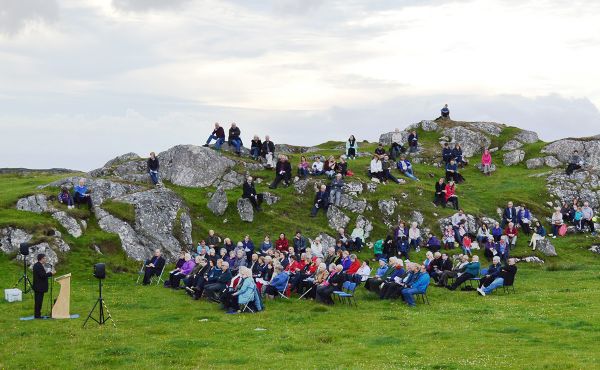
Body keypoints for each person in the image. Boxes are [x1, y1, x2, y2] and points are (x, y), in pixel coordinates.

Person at [32, 254, 55, 319]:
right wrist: (51, 273)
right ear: (41, 259)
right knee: (38, 301)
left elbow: (42, 274)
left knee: (38, 301)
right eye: (44, 258)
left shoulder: (38, 265)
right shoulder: (38, 266)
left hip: (38, 287)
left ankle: (37, 315)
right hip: (39, 287)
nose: (45, 259)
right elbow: (42, 275)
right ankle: (37, 316)